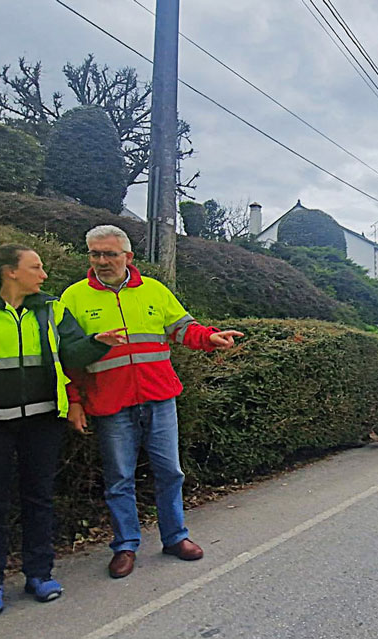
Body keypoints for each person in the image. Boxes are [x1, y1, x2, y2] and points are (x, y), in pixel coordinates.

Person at [0, 244, 127, 620]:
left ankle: (39, 574)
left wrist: (95, 344)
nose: (43, 275)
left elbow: (71, 353)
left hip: (42, 419)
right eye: (36, 267)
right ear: (10, 272)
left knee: (39, 498)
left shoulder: (52, 308)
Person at [60, 226, 243, 579]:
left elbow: (183, 328)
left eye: (110, 254)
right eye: (95, 254)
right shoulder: (74, 298)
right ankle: (125, 546)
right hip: (111, 404)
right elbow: (69, 358)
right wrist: (75, 402)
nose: (102, 261)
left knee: (170, 473)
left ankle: (175, 537)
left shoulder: (155, 291)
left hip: (159, 398)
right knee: (118, 479)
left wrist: (210, 338)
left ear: (128, 257)